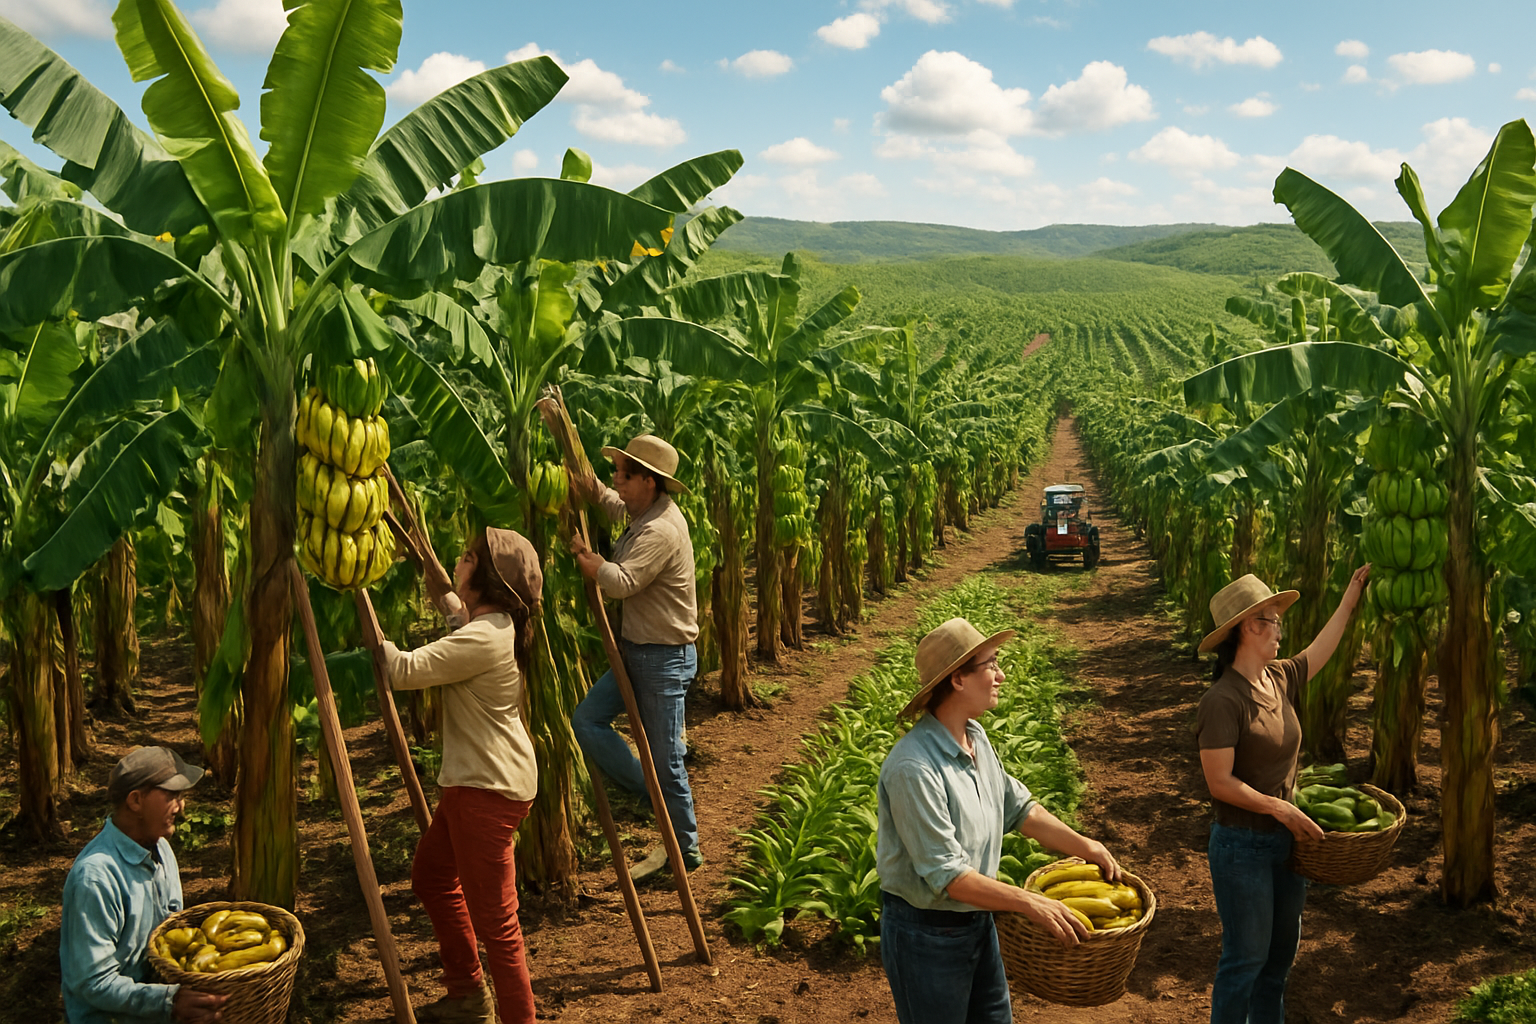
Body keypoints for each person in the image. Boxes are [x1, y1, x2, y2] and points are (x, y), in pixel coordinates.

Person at [877, 617, 1123, 1024]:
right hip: (927, 936)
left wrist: (1087, 846)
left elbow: (1019, 808)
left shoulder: (975, 738)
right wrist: (1029, 903)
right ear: (957, 679)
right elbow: (948, 875)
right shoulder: (913, 768)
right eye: (991, 664)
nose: (1001, 674)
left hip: (978, 920)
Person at [361, 527, 543, 1024]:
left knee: (499, 926)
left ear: (485, 579)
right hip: (482, 783)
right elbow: (456, 616)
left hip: (486, 789)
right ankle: (466, 992)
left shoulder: (484, 638)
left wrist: (363, 603)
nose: (458, 562)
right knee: (433, 877)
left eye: (466, 558)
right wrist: (436, 576)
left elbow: (400, 670)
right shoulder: (495, 623)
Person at [1195, 568, 1370, 1024]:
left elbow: (1319, 652)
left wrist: (1350, 599)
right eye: (1273, 620)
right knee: (1244, 963)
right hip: (1242, 847)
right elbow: (1219, 782)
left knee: (1276, 965)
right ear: (1249, 627)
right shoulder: (1223, 700)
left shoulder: (1278, 677)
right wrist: (1279, 807)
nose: (1280, 629)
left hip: (1286, 846)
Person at [568, 433, 702, 880]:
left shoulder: (661, 529)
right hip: (636, 651)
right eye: (617, 473)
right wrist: (581, 479)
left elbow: (623, 582)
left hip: (664, 658)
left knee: (666, 760)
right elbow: (607, 501)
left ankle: (685, 850)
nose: (617, 481)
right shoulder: (640, 510)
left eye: (624, 475)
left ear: (649, 481)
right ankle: (652, 795)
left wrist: (591, 564)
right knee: (587, 720)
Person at [60, 746, 229, 1024]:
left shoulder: (161, 847)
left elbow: (170, 929)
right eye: (171, 795)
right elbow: (92, 982)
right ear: (136, 801)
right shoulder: (96, 878)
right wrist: (169, 1001)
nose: (181, 806)